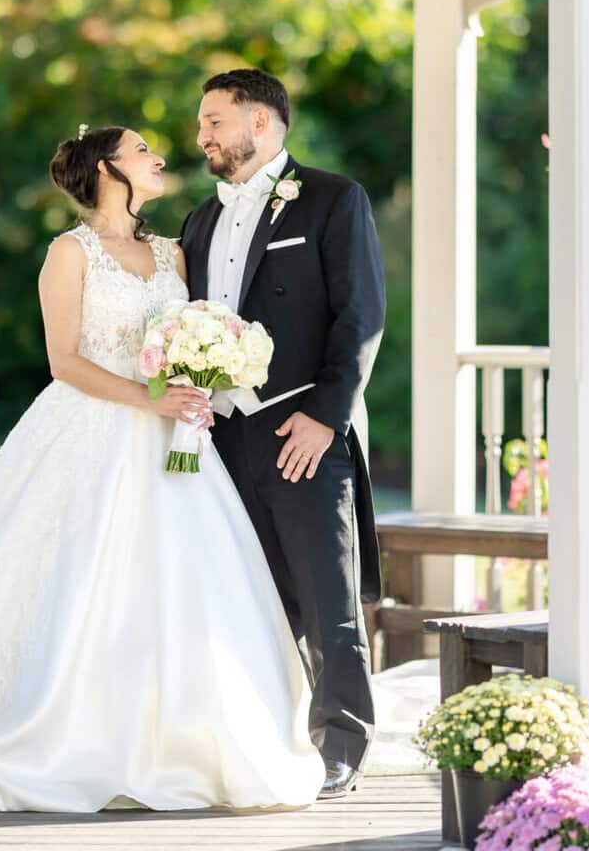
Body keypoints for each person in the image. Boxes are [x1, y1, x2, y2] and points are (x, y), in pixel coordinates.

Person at [0, 124, 323, 812]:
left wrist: (202, 379)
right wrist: (150, 398)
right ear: (106, 169)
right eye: (141, 152)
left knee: (185, 581)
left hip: (175, 445)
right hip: (90, 431)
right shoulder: (69, 254)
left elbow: (194, 332)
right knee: (77, 578)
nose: (158, 159)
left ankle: (192, 744)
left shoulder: (171, 253)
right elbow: (64, 362)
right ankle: (59, 739)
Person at [179, 69, 386, 799]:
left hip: (303, 431)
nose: (201, 135)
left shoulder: (334, 199)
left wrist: (327, 418)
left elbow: (362, 317)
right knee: (250, 599)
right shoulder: (201, 219)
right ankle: (266, 738)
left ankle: (343, 747)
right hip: (222, 442)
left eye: (213, 121)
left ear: (259, 124)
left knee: (329, 602)